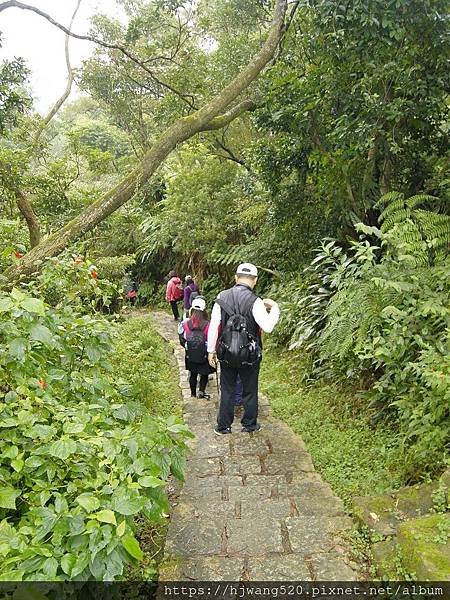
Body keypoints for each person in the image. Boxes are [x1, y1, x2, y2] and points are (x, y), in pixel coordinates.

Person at [207, 263, 280, 434]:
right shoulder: (256, 302)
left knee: (227, 390)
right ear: (255, 280)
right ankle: (249, 424)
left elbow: (214, 325)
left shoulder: (221, 296)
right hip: (250, 354)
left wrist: (211, 350)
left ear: (235, 278)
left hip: (226, 353)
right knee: (250, 389)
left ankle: (223, 426)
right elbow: (268, 327)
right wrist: (275, 308)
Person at [178, 296, 215, 399]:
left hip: (190, 353)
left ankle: (193, 394)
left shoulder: (185, 323)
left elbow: (182, 337)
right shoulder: (208, 324)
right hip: (204, 353)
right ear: (204, 310)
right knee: (204, 373)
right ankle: (201, 391)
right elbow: (210, 339)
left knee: (192, 374)